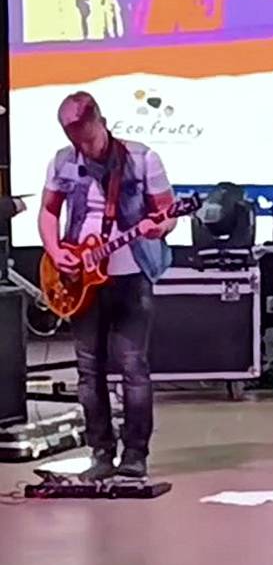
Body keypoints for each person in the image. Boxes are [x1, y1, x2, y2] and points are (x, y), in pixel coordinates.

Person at [38, 91, 175, 481]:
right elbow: (49, 211)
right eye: (75, 141)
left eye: (89, 139)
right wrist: (55, 251)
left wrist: (158, 227)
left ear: (101, 122)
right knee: (88, 370)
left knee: (133, 366)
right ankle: (100, 452)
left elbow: (167, 214)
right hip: (81, 279)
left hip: (131, 275)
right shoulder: (64, 161)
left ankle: (135, 454)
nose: (84, 148)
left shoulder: (142, 158)